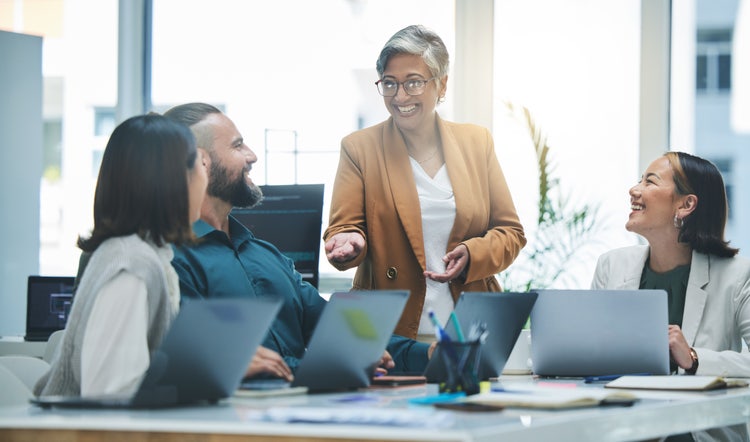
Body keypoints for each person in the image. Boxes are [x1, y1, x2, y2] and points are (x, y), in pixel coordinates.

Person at [165, 103, 432, 377]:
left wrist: (432, 355)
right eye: (237, 146)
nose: (252, 156)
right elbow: (206, 361)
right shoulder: (172, 262)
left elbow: (340, 330)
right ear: (201, 162)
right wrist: (342, 361)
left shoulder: (266, 255)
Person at [323, 25, 526, 341]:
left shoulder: (476, 142)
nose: (400, 96)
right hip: (390, 332)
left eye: (413, 83)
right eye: (390, 84)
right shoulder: (359, 148)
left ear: (442, 84)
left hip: (470, 328)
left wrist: (473, 253)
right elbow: (343, 229)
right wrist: (350, 242)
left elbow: (511, 233)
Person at [34, 114, 208, 397]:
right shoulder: (132, 264)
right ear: (173, 179)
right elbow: (109, 396)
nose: (205, 177)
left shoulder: (141, 254)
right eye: (200, 164)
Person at [592, 151, 750, 441]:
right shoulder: (611, 266)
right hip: (623, 430)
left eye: (649, 182)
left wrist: (693, 359)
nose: (634, 190)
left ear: (686, 204)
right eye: (639, 180)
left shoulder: (738, 275)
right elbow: (591, 354)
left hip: (697, 434)